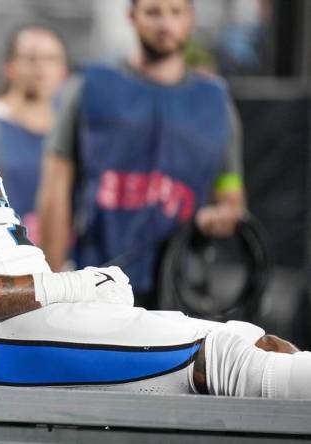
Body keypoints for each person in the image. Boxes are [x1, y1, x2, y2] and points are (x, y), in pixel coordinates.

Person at [0, 21, 311, 399]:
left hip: (26, 322)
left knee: (254, 343)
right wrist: (63, 286)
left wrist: (62, 291)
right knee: (226, 358)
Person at [37, 0, 245, 307]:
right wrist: (53, 289)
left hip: (181, 286)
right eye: (153, 12)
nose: (165, 24)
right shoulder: (89, 86)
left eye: (176, 12)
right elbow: (55, 188)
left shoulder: (215, 101)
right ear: (132, 17)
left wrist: (225, 212)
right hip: (97, 280)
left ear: (190, 19)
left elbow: (230, 188)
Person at [0, 25, 68, 245]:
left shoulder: (73, 127)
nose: (41, 67)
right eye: (31, 58)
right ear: (9, 68)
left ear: (63, 71)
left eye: (51, 59)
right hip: (5, 258)